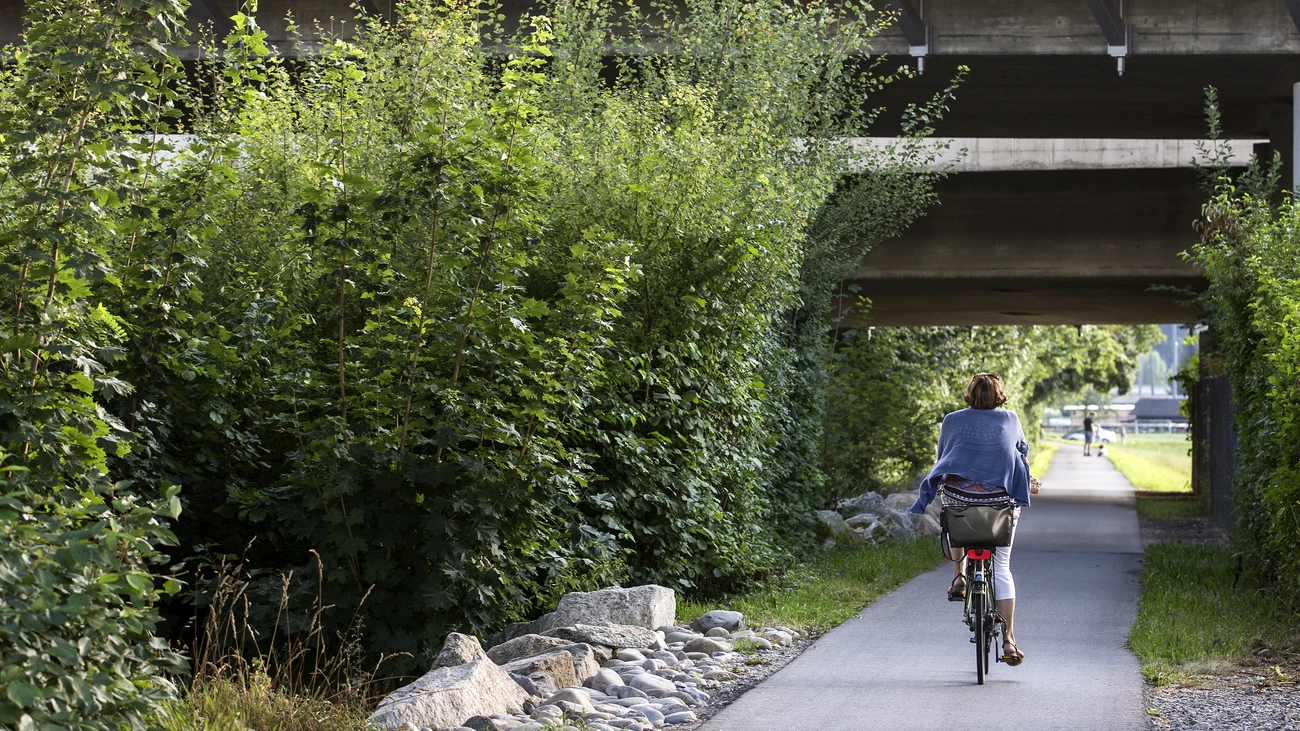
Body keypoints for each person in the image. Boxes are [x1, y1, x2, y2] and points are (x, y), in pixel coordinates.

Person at [909, 373, 1041, 666]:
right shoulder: (1010, 420)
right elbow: (1020, 456)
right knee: (1002, 568)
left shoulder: (952, 420)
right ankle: (1009, 641)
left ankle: (959, 576)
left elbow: (944, 454)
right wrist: (1027, 481)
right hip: (999, 505)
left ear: (969, 394)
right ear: (999, 396)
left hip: (962, 502)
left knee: (952, 513)